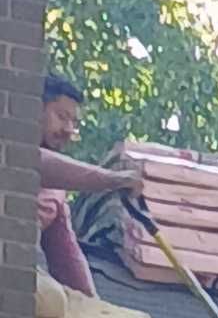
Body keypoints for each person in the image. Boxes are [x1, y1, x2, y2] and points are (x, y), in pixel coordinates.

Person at [37, 73, 140, 299]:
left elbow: (66, 255)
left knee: (66, 302)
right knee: (49, 300)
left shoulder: (56, 191)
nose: (68, 129)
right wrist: (112, 179)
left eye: (74, 123)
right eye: (62, 116)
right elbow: (37, 162)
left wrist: (95, 307)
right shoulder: (10, 147)